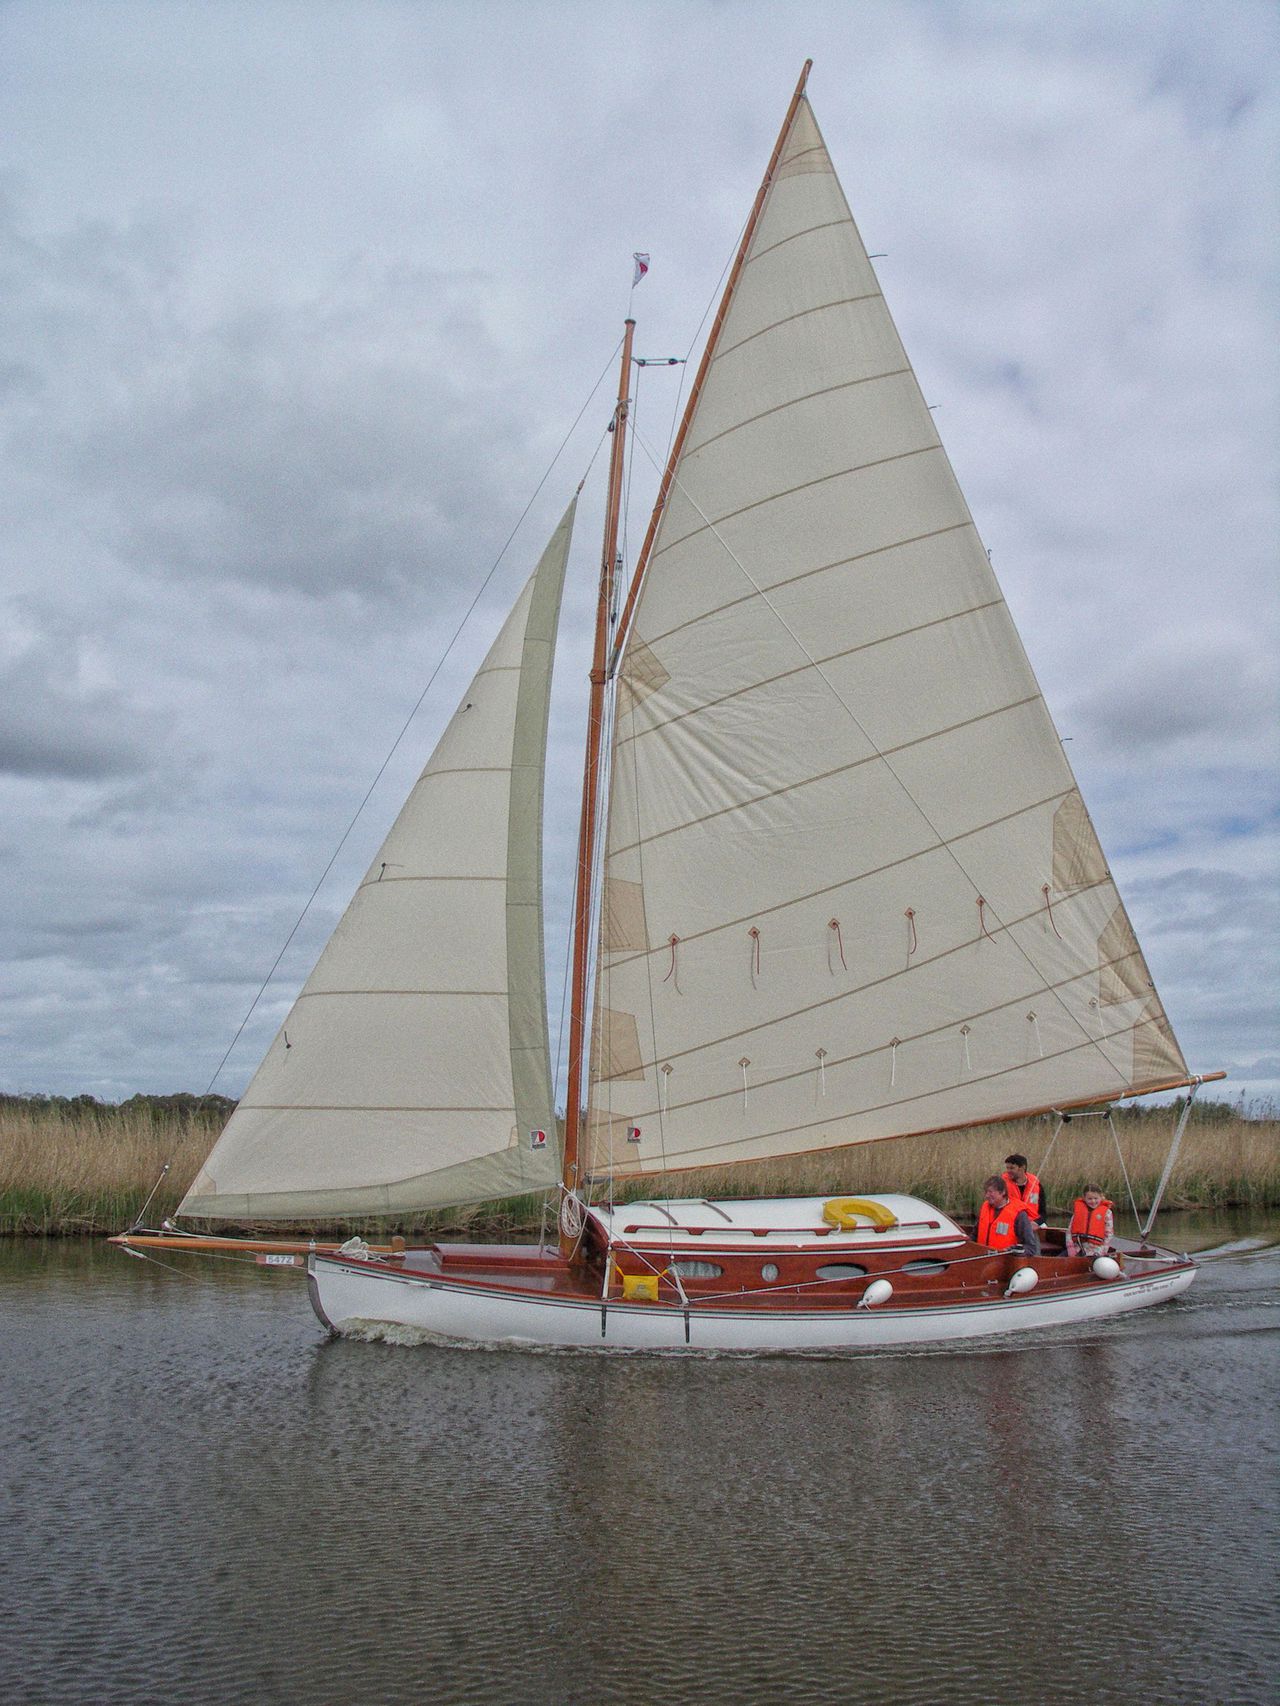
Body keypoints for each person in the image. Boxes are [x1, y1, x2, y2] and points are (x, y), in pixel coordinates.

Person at [976, 1176, 1040, 1255]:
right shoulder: (985, 1209)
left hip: (1006, 1261)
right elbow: (974, 1235)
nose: (987, 1196)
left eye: (990, 1192)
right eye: (986, 1192)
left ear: (1002, 1192)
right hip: (982, 1259)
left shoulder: (1019, 1215)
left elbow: (1031, 1248)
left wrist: (1013, 1251)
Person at [1067, 1186, 1115, 1257]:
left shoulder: (1107, 1213)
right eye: (1089, 1199)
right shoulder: (1079, 1211)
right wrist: (1070, 1248)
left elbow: (1109, 1234)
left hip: (1096, 1251)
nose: (1093, 1201)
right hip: (1077, 1249)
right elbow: (1069, 1231)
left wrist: (1102, 1251)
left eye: (1096, 1198)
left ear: (1101, 1197)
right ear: (1084, 1198)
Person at [1002, 1152, 1047, 1225]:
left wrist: (1036, 1223)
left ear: (1022, 1168)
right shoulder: (1002, 1185)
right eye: (1007, 1168)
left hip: (1033, 1224)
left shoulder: (1036, 1185)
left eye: (1012, 1168)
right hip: (1010, 1223)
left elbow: (1043, 1212)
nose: (1008, 1171)